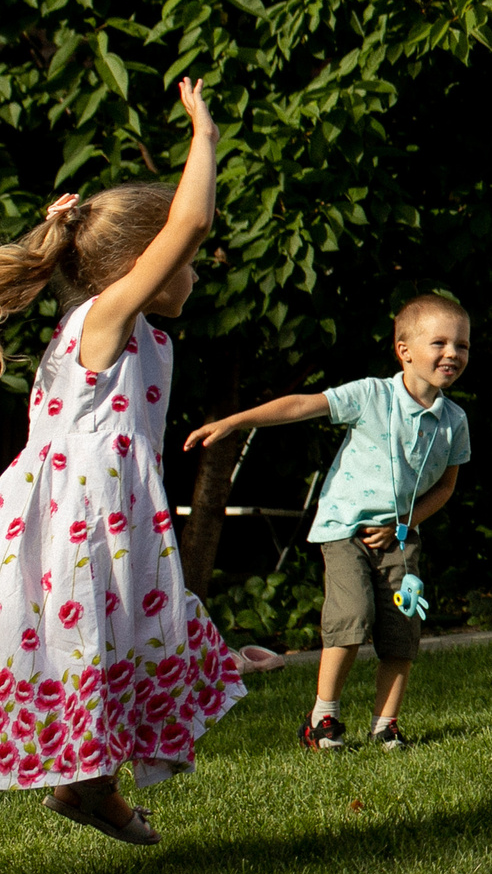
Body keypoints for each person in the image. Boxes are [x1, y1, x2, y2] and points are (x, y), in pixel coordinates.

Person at [0, 81, 243, 874]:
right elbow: (190, 222)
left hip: (102, 544)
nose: (193, 268)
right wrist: (205, 130)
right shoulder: (105, 321)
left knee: (92, 668)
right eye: (181, 260)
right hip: (54, 546)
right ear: (142, 265)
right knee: (7, 696)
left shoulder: (141, 336)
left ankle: (87, 791)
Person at [184, 295, 474, 751]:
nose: (452, 353)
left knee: (402, 633)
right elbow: (302, 405)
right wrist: (237, 421)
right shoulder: (372, 395)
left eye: (462, 345)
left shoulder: (453, 420)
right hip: (346, 530)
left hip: (399, 538)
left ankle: (386, 725)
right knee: (351, 616)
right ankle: (323, 720)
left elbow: (446, 487)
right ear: (405, 350)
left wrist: (406, 523)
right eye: (439, 342)